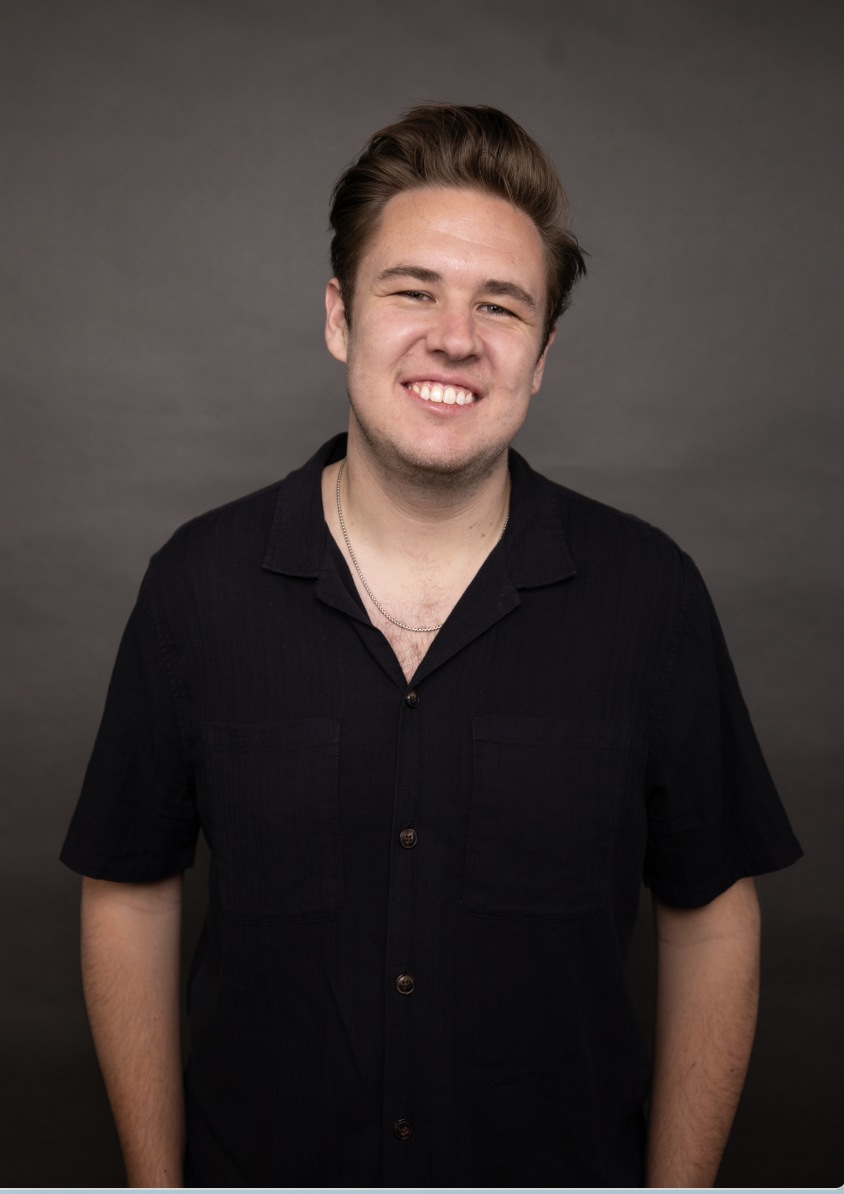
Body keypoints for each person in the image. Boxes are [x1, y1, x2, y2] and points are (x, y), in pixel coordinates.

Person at [61, 103, 802, 1188]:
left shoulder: (649, 596)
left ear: (541, 355)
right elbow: (128, 890)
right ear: (337, 316)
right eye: (412, 290)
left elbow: (709, 917)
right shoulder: (196, 585)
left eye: (500, 306)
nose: (455, 337)